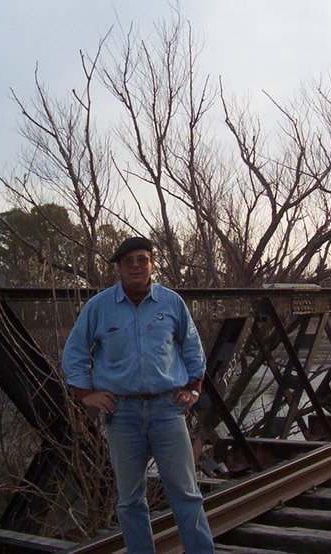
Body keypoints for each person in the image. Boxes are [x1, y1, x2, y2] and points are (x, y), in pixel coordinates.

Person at [62, 236, 214, 554]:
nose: (135, 266)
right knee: (130, 499)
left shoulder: (171, 303)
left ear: (152, 264)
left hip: (167, 409)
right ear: (119, 266)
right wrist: (84, 392)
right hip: (122, 413)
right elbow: (74, 353)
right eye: (128, 260)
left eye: (142, 259)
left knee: (186, 493)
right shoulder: (99, 307)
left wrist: (194, 389)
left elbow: (192, 349)